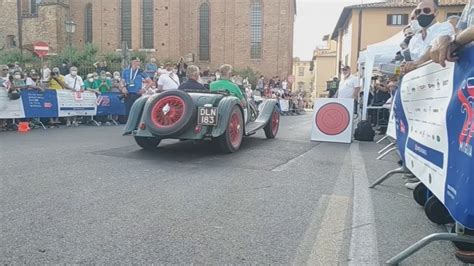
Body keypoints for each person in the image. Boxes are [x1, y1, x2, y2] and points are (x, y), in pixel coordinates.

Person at [402, 0, 455, 72]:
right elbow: (408, 62)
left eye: (426, 10)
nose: (421, 13)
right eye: (418, 11)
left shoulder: (445, 26)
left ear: (436, 13)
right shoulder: (414, 39)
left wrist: (417, 63)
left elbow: (435, 46)